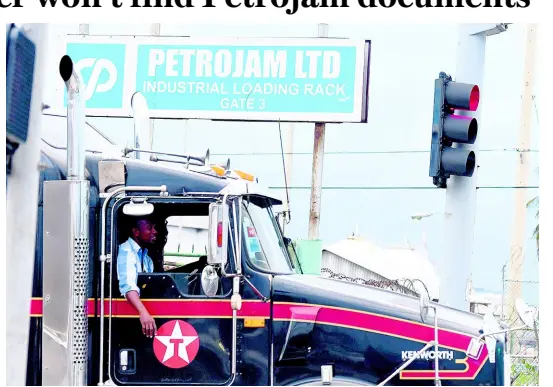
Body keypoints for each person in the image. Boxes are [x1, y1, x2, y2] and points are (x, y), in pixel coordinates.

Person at [117, 217, 158, 338]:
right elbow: (128, 286)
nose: (155, 231)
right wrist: (143, 312)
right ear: (136, 232)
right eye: (150, 228)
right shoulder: (126, 251)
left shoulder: (146, 257)